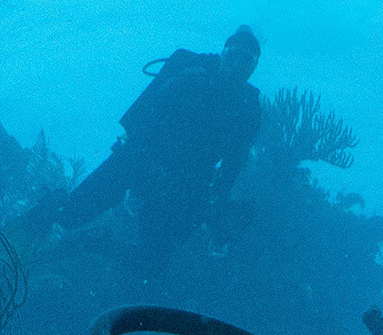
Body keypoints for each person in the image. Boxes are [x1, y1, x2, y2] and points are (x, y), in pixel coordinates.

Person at [35, 27, 266, 257]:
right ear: (224, 53)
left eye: (247, 61)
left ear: (253, 67)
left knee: (153, 259)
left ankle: (93, 243)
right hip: (143, 157)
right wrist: (141, 166)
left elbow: (233, 165)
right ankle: (47, 222)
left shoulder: (248, 110)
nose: (238, 65)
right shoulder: (193, 75)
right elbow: (147, 114)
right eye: (234, 55)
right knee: (73, 213)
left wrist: (215, 207)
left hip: (181, 183)